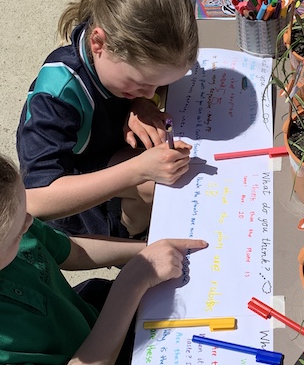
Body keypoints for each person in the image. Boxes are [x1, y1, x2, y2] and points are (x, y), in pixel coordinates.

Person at [16, 0, 199, 237]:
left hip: (105, 150)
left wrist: (141, 102)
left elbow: (149, 86)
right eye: (141, 84)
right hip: (75, 197)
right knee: (156, 183)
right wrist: (137, 170)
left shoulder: (123, 62)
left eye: (156, 86)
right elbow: (37, 200)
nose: (151, 92)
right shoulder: (57, 96)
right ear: (98, 43)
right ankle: (125, 240)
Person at [0, 154, 209, 364]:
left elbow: (75, 251)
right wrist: (130, 285)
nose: (29, 220)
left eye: (24, 207)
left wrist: (149, 249)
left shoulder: (14, 221)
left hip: (96, 315)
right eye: (17, 232)